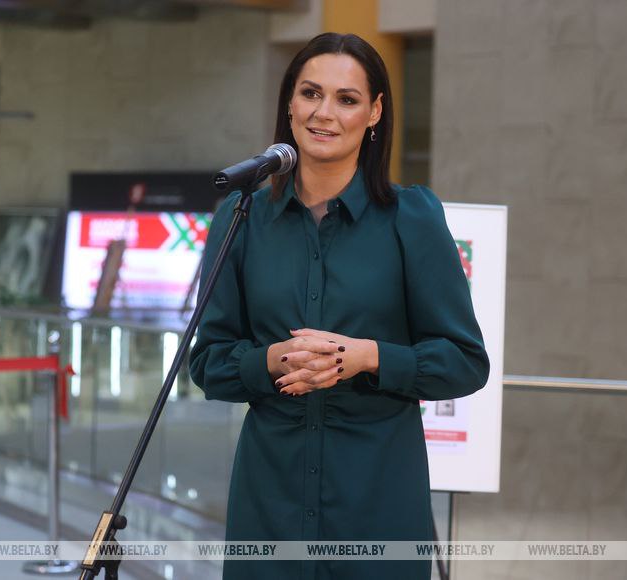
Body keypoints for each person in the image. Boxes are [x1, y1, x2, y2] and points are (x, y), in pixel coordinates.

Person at [189, 32, 490, 580]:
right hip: (268, 501)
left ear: (374, 112)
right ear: (289, 103)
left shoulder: (412, 218)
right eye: (310, 93)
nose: (324, 113)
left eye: (346, 99)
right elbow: (207, 362)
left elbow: (465, 361)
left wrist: (368, 357)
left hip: (378, 503)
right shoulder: (241, 215)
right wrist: (274, 359)